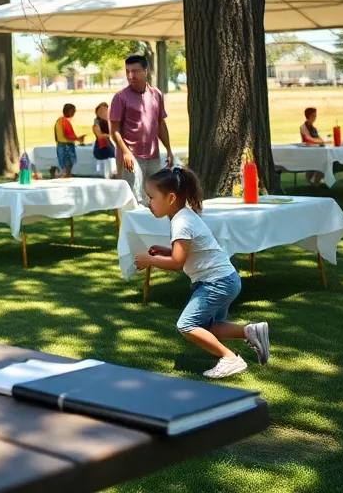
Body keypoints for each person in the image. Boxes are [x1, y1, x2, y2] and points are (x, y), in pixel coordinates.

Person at [132, 166, 270, 379]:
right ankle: (250, 332)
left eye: (151, 197)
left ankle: (230, 359)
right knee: (210, 326)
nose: (148, 203)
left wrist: (150, 260)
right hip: (224, 279)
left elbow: (178, 263)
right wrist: (165, 251)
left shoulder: (181, 222)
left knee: (186, 325)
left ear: (170, 198)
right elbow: (186, 253)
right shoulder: (182, 216)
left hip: (216, 282)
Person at [110, 54, 174, 205]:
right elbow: (114, 131)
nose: (130, 75)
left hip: (154, 157)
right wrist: (126, 153)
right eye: (127, 71)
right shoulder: (120, 97)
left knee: (156, 198)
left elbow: (161, 124)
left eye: (134, 71)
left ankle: (151, 228)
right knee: (134, 200)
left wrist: (169, 149)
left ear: (145, 71)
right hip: (131, 158)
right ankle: (130, 229)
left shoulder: (156, 94)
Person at [54, 103, 82, 178]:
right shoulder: (65, 121)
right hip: (66, 146)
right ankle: (66, 176)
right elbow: (69, 135)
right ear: (69, 111)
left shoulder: (59, 120)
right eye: (73, 111)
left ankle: (63, 175)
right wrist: (78, 138)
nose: (74, 113)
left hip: (60, 145)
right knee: (68, 166)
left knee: (64, 166)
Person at [90, 102, 117, 178]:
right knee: (108, 164)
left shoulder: (110, 120)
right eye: (101, 110)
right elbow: (99, 135)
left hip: (111, 147)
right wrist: (110, 135)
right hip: (103, 148)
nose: (104, 112)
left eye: (106, 110)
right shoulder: (97, 123)